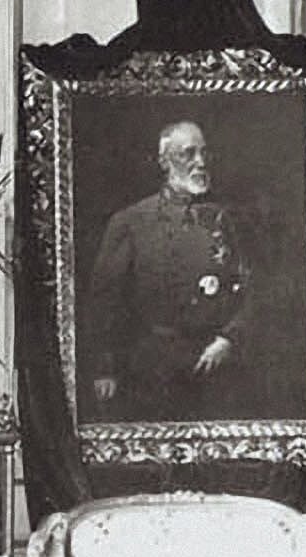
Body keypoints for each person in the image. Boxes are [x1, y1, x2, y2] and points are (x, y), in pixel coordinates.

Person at [85, 116, 259, 420]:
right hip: (153, 371)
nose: (200, 162)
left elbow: (251, 287)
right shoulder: (131, 222)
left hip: (217, 365)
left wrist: (229, 338)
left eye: (204, 153)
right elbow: (105, 301)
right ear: (164, 162)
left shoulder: (223, 219)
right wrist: (105, 369)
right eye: (188, 154)